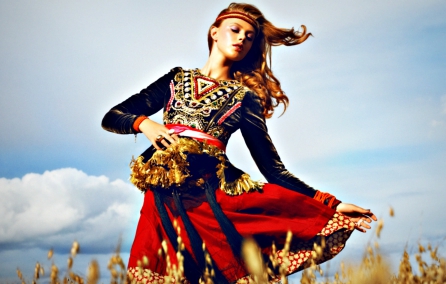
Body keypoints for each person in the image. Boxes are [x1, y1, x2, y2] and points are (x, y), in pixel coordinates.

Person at [102, 3, 377, 283]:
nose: (242, 39)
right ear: (214, 32)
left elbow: (273, 170)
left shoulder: (245, 98)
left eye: (249, 36)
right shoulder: (176, 79)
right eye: (235, 30)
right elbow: (112, 117)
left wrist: (332, 204)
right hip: (163, 198)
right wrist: (145, 124)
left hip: (212, 197)